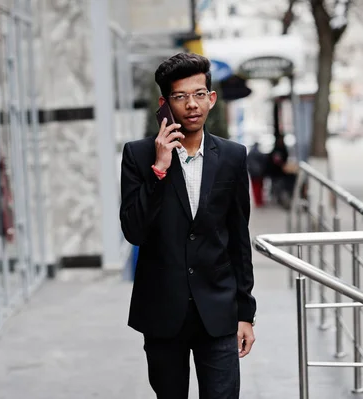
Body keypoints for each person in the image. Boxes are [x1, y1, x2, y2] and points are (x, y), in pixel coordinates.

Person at [119, 53, 256, 399]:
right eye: (180, 97)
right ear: (165, 104)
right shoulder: (138, 156)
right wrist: (159, 170)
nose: (191, 105)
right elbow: (134, 231)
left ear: (211, 98)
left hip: (219, 310)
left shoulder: (233, 156)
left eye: (198, 94)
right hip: (164, 311)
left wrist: (246, 314)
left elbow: (239, 239)